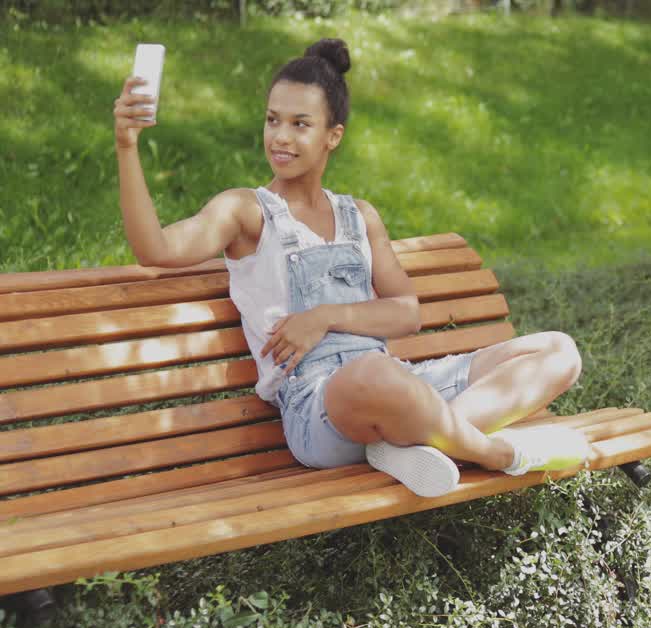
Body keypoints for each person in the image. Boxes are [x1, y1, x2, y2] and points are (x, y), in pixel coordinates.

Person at [113, 38, 590, 497]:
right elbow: (155, 249)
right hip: (319, 409)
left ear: (332, 136)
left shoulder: (358, 216)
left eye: (300, 124)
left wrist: (324, 317)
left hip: (394, 385)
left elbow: (406, 312)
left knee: (558, 352)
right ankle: (495, 453)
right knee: (373, 375)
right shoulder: (246, 212)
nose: (280, 136)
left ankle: (415, 442)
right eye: (272, 119)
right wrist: (127, 146)